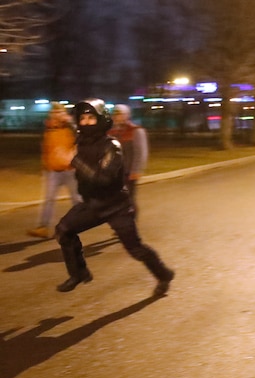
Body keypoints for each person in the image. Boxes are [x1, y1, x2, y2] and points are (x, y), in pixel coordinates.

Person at [54, 98, 174, 296]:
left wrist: (74, 160)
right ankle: (79, 272)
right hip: (92, 204)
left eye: (90, 117)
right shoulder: (81, 141)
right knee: (64, 230)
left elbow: (103, 178)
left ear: (100, 119)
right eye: (82, 118)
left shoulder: (112, 146)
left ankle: (163, 274)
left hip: (116, 206)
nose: (85, 122)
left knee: (135, 249)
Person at [27, 102, 82, 239]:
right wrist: (45, 167)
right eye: (54, 112)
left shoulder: (71, 128)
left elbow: (83, 139)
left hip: (70, 171)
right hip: (53, 171)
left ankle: (83, 222)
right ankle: (43, 227)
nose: (56, 115)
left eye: (59, 112)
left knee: (76, 199)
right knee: (49, 199)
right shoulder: (49, 129)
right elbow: (45, 149)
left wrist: (71, 124)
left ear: (64, 113)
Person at [108, 104, 148, 216]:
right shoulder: (111, 132)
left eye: (120, 114)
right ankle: (121, 226)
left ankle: (130, 225)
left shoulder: (135, 131)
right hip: (115, 173)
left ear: (127, 115)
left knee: (128, 200)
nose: (117, 117)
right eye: (115, 115)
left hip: (129, 172)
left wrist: (136, 170)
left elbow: (141, 153)